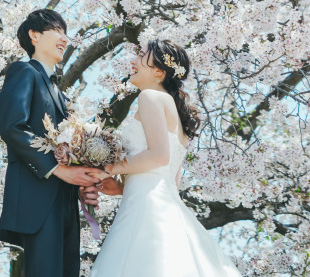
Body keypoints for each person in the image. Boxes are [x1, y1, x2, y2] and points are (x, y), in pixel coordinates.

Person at [87, 39, 242, 276]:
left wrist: (110, 168)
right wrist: (120, 188)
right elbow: (170, 179)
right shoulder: (174, 115)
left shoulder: (149, 97)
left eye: (140, 56)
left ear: (158, 72)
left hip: (146, 208)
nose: (133, 61)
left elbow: (159, 156)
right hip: (160, 201)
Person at [0, 9, 102, 277]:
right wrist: (60, 170)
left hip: (66, 203)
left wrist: (82, 183)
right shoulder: (23, 71)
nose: (64, 38)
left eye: (65, 33)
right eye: (57, 31)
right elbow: (13, 128)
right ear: (34, 35)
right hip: (38, 199)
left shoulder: (62, 96)